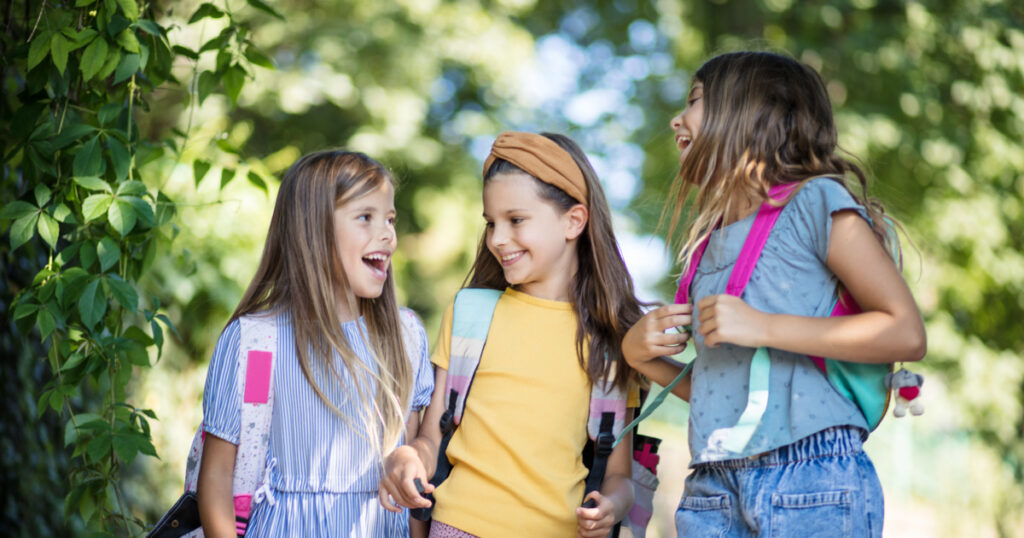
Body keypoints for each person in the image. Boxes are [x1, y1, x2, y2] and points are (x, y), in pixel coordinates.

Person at [622, 51, 927, 537]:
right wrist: (643, 359)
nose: (677, 118)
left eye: (696, 100)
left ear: (756, 112)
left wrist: (762, 326)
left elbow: (906, 330)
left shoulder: (816, 202)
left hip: (813, 477)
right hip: (711, 489)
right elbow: (722, 393)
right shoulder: (706, 248)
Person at [379, 132, 645, 537]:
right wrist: (409, 455)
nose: (497, 239)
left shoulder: (612, 343)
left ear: (573, 221)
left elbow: (620, 475)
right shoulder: (470, 314)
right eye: (491, 223)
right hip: (457, 527)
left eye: (516, 220)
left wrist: (612, 505)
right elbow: (432, 435)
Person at [196, 150, 434, 537]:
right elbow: (219, 475)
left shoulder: (404, 338)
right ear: (313, 228)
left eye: (390, 218)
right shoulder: (259, 345)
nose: (388, 233)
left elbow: (413, 463)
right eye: (365, 217)